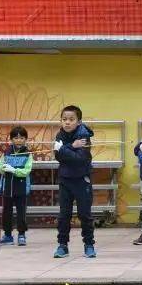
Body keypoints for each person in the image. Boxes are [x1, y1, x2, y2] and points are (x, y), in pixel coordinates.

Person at [52, 105, 96, 258]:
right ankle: (62, 245)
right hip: (65, 180)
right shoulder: (60, 135)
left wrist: (64, 149)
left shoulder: (84, 136)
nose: (67, 122)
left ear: (79, 121)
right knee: (64, 215)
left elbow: (80, 158)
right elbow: (58, 156)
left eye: (71, 119)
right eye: (64, 119)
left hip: (82, 180)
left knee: (84, 214)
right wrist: (72, 146)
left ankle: (89, 245)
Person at [0, 126, 33, 246]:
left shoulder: (27, 154)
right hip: (8, 188)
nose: (19, 140)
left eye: (22, 138)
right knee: (7, 212)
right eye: (16, 138)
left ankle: (21, 235)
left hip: (21, 187)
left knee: (21, 212)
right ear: (11, 139)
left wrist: (14, 170)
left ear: (25, 139)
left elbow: (27, 171)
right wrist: (4, 168)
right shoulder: (7, 152)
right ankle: (8, 236)